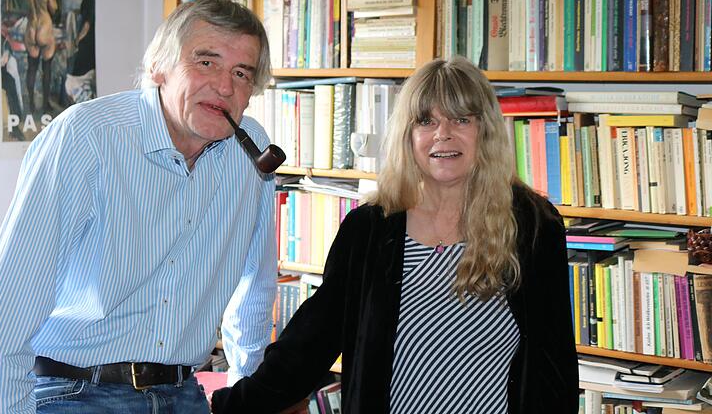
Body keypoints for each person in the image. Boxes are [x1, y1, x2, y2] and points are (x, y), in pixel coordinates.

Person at [211, 56, 579, 414]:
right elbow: (308, 345)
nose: (443, 133)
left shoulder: (532, 226)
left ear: (486, 131)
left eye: (461, 119)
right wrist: (232, 405)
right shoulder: (368, 231)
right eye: (425, 121)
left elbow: (554, 365)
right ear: (408, 134)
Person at [0, 0, 276, 413]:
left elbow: (256, 288)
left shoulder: (250, 153)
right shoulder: (86, 139)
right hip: (76, 390)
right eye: (206, 62)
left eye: (242, 73)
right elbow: (2, 321)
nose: (224, 86)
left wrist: (245, 393)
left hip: (184, 392)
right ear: (158, 68)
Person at [24, 0, 58, 113]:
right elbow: (54, 8)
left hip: (31, 28)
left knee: (32, 68)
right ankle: (45, 104)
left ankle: (31, 103)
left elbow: (26, 8)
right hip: (44, 27)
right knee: (47, 68)